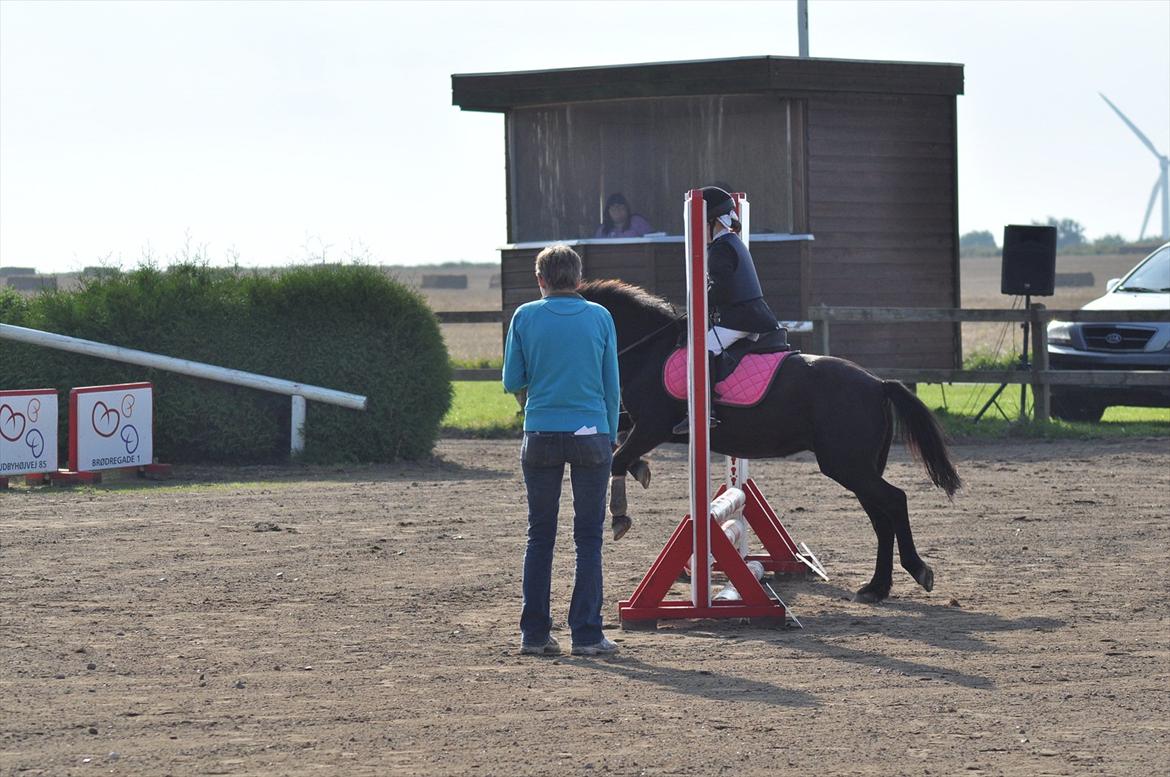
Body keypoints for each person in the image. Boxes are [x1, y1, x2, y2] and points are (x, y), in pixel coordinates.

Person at [502, 244, 622, 657]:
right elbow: (612, 386)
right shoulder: (600, 317)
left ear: (541, 280)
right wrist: (610, 435)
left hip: (540, 432)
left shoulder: (524, 316)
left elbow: (511, 379)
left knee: (540, 535)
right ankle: (587, 633)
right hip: (592, 432)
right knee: (588, 537)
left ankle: (534, 633)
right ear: (578, 277)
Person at [672, 186, 781, 436]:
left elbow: (719, 289)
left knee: (699, 353)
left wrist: (695, 308)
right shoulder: (734, 242)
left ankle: (702, 412)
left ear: (711, 222)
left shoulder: (720, 249)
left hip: (740, 318)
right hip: (751, 314)